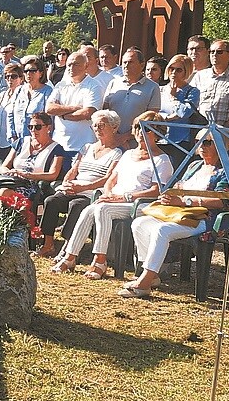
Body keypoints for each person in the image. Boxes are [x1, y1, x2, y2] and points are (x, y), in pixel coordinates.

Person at [51, 111, 173, 279]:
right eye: (137, 127)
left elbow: (156, 191)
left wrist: (124, 198)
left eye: (147, 129)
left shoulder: (162, 160)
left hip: (139, 204)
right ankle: (70, 257)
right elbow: (111, 180)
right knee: (90, 209)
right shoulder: (128, 154)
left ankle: (100, 261)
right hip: (115, 200)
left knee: (102, 210)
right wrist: (108, 194)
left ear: (158, 132)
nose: (140, 133)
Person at [123, 131, 229, 298]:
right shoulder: (195, 166)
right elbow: (179, 187)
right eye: (199, 141)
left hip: (203, 219)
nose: (202, 146)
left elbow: (222, 201)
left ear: (222, 146)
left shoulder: (226, 172)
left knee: (162, 230)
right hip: (179, 214)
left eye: (208, 142)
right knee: (140, 223)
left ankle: (144, 282)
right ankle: (151, 275)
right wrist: (170, 196)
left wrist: (186, 202)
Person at [35, 110, 123, 258]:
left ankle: (68, 247)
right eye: (94, 126)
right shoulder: (87, 147)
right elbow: (74, 169)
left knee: (76, 205)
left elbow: (108, 178)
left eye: (101, 125)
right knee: (51, 201)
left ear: (114, 128)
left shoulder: (117, 153)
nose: (97, 129)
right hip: (74, 188)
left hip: (92, 192)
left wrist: (83, 187)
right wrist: (66, 183)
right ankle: (48, 244)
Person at [0, 112, 66, 203]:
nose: (33, 130)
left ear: (49, 128)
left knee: (4, 192)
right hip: (12, 181)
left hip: (32, 186)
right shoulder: (21, 142)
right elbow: (4, 166)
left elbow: (53, 174)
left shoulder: (57, 149)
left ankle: (4, 217)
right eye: (30, 127)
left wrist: (28, 175)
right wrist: (10, 172)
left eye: (38, 127)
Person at [101, 48, 161, 148]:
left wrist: (125, 137)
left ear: (142, 65)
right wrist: (113, 135)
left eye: (130, 62)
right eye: (124, 62)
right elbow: (105, 112)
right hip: (111, 141)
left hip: (136, 143)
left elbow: (151, 119)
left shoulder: (153, 87)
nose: (126, 65)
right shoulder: (114, 83)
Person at [45, 51, 102, 155]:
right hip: (58, 144)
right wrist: (73, 108)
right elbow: (49, 109)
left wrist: (61, 114)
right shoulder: (61, 85)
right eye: (69, 64)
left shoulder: (94, 86)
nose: (71, 67)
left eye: (76, 64)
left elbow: (87, 113)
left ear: (86, 65)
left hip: (83, 147)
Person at [190, 39, 229, 128]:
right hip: (201, 132)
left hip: (228, 133)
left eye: (219, 52)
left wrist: (225, 129)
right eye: (211, 52)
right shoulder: (200, 76)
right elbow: (191, 102)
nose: (214, 55)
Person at [6, 58, 53, 157]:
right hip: (18, 142)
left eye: (32, 71)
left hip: (38, 143)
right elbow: (10, 113)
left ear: (40, 73)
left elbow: (49, 119)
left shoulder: (48, 92)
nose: (28, 74)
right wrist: (12, 136)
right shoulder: (19, 90)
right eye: (26, 71)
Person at [0, 63, 25, 157]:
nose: (10, 79)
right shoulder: (3, 95)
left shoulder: (23, 96)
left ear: (21, 78)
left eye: (14, 76)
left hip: (13, 142)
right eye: (7, 76)